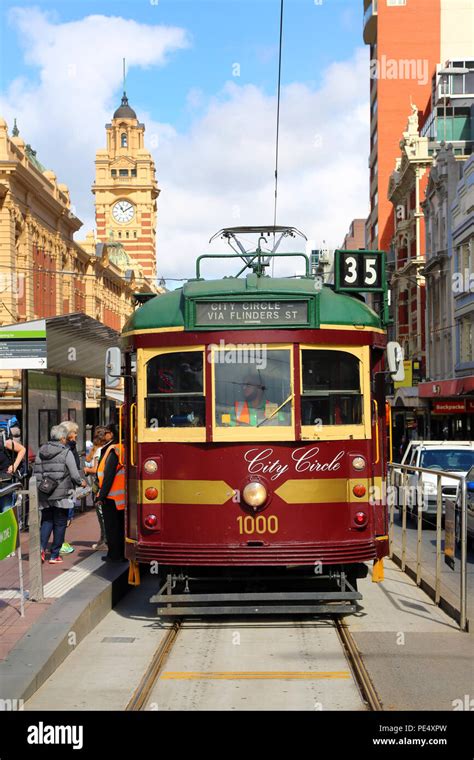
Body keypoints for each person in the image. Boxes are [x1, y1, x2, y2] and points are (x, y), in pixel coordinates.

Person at [35, 424, 86, 564]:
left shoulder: (41, 451)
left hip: (45, 492)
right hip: (62, 494)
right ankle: (54, 555)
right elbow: (75, 474)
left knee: (46, 521)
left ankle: (40, 549)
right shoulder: (66, 452)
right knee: (60, 523)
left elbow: (36, 472)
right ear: (63, 438)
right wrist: (81, 482)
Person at [95, 424, 126, 563]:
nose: (104, 434)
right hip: (121, 496)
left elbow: (108, 475)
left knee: (112, 527)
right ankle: (122, 554)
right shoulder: (124, 447)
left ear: (112, 434)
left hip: (112, 496)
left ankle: (114, 555)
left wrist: (101, 496)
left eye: (107, 432)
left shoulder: (114, 450)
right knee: (120, 527)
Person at [59, 420, 82, 555]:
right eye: (75, 432)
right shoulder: (68, 447)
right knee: (66, 515)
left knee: (66, 515)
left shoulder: (69, 446)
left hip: (67, 486)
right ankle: (60, 543)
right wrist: (79, 482)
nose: (77, 435)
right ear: (69, 434)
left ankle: (60, 541)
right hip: (68, 486)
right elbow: (74, 466)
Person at [84, 426, 108, 551]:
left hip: (99, 486)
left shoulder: (99, 451)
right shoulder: (106, 449)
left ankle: (104, 540)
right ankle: (104, 539)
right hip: (106, 485)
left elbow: (96, 469)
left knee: (101, 514)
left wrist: (86, 470)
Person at [0, 430, 26, 513]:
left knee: (6, 511)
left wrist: (14, 466)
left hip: (5, 483)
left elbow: (22, 449)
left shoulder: (4, 442)